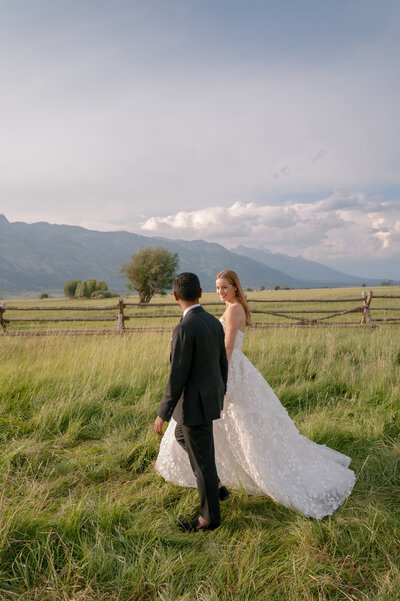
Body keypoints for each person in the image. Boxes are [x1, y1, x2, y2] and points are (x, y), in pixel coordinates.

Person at [156, 269, 356, 520]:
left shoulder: (233, 310)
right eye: (217, 288)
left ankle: (220, 486)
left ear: (235, 288)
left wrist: (220, 382)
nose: (221, 292)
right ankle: (214, 480)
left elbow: (226, 350)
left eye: (225, 287)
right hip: (224, 373)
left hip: (228, 372)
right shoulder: (226, 310)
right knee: (219, 429)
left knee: (237, 427)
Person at [154, 272, 228, 532]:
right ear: (200, 293)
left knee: (202, 465)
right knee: (182, 437)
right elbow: (223, 364)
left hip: (194, 406)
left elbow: (177, 376)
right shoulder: (213, 322)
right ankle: (217, 486)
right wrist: (221, 392)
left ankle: (209, 519)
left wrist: (163, 412)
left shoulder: (184, 328)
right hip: (208, 400)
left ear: (176, 296)